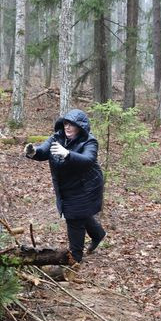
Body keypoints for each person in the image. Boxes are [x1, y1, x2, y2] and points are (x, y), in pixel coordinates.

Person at [24, 109, 106, 264]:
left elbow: (88, 160)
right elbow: (44, 150)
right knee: (81, 214)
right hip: (67, 187)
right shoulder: (57, 137)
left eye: (72, 124)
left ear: (80, 127)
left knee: (74, 218)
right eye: (66, 123)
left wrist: (68, 154)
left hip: (87, 187)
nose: (67, 127)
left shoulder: (89, 141)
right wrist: (33, 152)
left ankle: (75, 258)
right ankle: (98, 234)